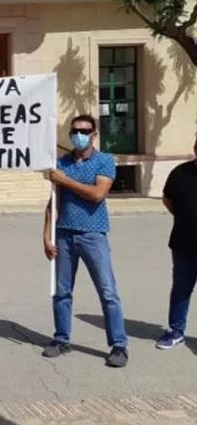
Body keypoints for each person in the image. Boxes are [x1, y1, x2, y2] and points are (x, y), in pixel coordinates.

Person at [44, 114, 129, 368]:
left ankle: (119, 345)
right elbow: (53, 201)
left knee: (107, 291)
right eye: (74, 131)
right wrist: (46, 234)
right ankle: (61, 339)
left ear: (94, 134)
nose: (78, 135)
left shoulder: (104, 161)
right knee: (61, 291)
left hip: (93, 235)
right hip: (64, 234)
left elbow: (97, 194)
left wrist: (66, 180)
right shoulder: (61, 163)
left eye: (84, 131)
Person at [155, 135, 197, 350]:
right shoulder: (180, 173)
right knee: (181, 289)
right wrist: (184, 217)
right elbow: (167, 199)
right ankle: (175, 331)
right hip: (183, 244)